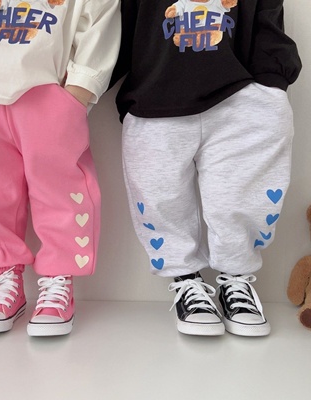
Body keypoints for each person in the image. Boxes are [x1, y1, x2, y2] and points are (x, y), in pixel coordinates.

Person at [0, 0, 120, 336]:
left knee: (60, 188)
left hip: (46, 91)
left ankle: (58, 281)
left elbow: (99, 28)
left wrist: (78, 93)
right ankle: (4, 279)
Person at [110, 0, 301, 336]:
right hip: (154, 96)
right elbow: (114, 28)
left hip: (240, 93)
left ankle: (236, 278)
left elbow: (267, 17)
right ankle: (185, 279)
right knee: (159, 200)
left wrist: (272, 83)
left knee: (242, 198)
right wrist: (79, 85)